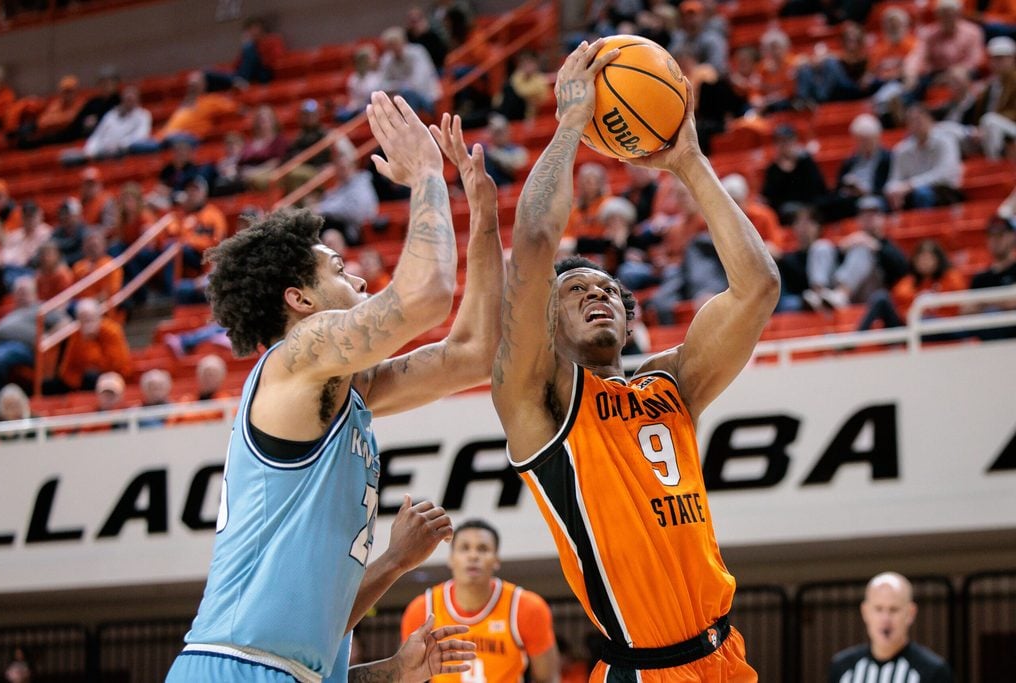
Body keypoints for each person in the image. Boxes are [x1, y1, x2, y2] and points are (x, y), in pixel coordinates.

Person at [166, 93, 503, 683]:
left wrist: (482, 216)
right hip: (230, 667)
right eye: (338, 269)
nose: (360, 276)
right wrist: (426, 173)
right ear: (300, 300)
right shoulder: (298, 355)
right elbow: (423, 298)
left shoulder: (344, 392)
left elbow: (473, 355)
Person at [492, 40, 778, 681]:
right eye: (576, 292)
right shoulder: (540, 403)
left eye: (608, 291)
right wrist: (570, 122)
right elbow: (536, 242)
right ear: (547, 321)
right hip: (645, 670)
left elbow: (758, 287)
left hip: (727, 660)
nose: (598, 294)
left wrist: (690, 162)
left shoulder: (671, 383)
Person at [400, 519, 560, 683]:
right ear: (451, 558)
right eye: (464, 548)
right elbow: (406, 676)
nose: (473, 555)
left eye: (483, 549)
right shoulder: (422, 609)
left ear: (496, 560)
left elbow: (547, 678)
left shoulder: (526, 607)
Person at [829, 572, 953, 682]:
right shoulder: (842, 667)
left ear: (911, 613)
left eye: (894, 610)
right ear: (865, 611)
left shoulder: (933, 670)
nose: (885, 619)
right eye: (878, 609)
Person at [884, 104, 963, 211]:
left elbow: (944, 175)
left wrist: (911, 185)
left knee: (922, 194)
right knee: (879, 202)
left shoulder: (946, 141)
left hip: (945, 191)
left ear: (930, 120)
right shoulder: (901, 150)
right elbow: (893, 180)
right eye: (912, 121)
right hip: (911, 193)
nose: (917, 124)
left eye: (919, 119)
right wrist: (893, 191)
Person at [79, 85, 152, 161]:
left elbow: (141, 136)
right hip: (103, 152)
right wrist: (89, 150)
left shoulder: (143, 115)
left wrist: (120, 144)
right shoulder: (111, 115)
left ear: (137, 100)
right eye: (126, 99)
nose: (128, 102)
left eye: (131, 99)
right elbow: (97, 135)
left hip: (125, 152)